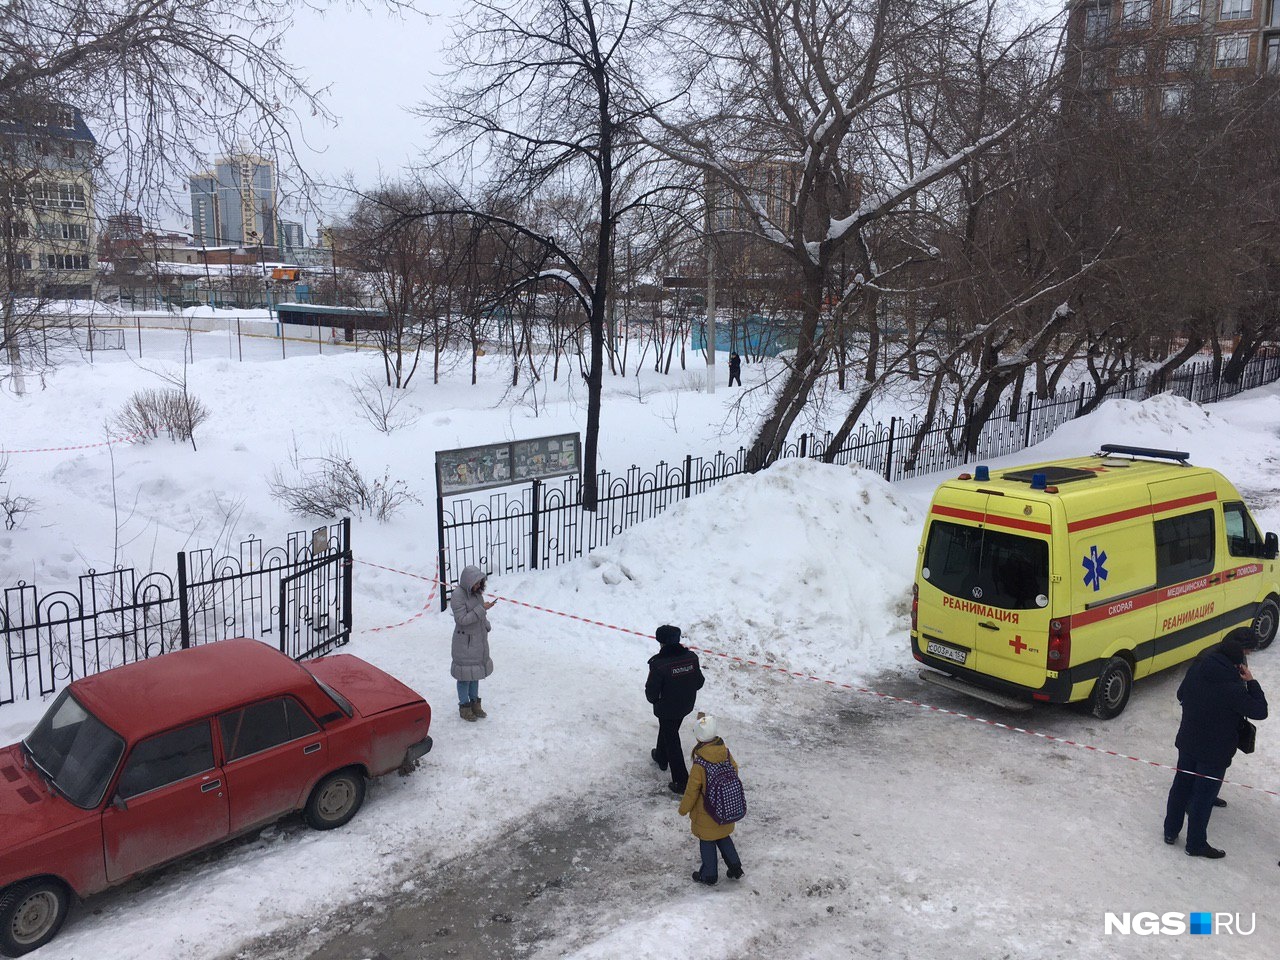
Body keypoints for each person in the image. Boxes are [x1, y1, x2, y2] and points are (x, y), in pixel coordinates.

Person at [1163, 632, 1267, 858]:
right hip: (1214, 752)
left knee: (1181, 786)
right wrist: (1251, 682)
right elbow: (1261, 710)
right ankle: (1195, 844)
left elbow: (1181, 693)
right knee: (1203, 796)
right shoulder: (1233, 686)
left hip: (1188, 741)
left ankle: (1170, 832)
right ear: (1238, 659)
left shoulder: (1199, 667)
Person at [679, 713, 744, 885]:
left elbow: (692, 790)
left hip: (706, 812)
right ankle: (735, 867)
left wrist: (683, 809)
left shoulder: (700, 764)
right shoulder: (725, 753)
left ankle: (709, 874)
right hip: (725, 808)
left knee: (707, 842)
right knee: (723, 837)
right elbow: (734, 771)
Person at [646, 624, 704, 793]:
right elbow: (699, 682)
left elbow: (651, 694)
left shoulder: (659, 664)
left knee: (672, 738)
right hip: (685, 705)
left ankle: (681, 781)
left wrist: (658, 700)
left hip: (666, 708)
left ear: (660, 642)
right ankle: (661, 757)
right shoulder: (691, 658)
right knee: (668, 728)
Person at [450, 565, 496, 722]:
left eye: (480, 583)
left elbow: (479, 615)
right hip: (464, 643)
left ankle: (475, 704)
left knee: (475, 675)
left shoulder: (477, 595)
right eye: (476, 583)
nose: (478, 586)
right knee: (464, 677)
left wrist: (486, 624)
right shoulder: (458, 595)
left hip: (478, 642)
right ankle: (464, 706)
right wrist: (482, 609)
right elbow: (462, 620)